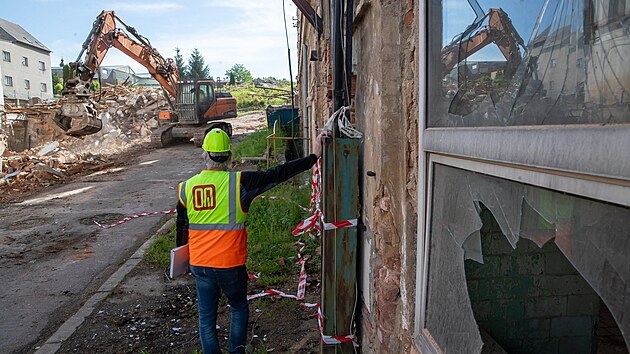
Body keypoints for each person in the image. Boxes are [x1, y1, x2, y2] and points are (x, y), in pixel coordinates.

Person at [176, 128, 325, 354]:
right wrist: (314, 156)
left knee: (206, 319)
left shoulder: (186, 188)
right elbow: (279, 173)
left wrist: (181, 262)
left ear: (204, 154)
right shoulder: (241, 183)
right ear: (229, 155)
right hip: (230, 265)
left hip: (199, 265)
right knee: (237, 308)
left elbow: (182, 227)